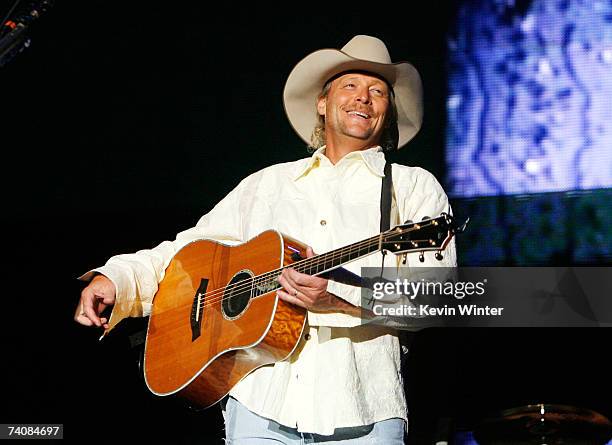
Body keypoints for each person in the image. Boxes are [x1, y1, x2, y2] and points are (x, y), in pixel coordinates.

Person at [74, 35, 457, 444]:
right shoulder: (268, 183)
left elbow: (438, 295)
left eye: (377, 91)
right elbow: (186, 253)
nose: (363, 98)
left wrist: (338, 297)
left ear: (387, 111)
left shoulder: (412, 187)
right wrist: (117, 278)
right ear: (323, 103)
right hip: (261, 403)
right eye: (350, 86)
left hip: (365, 410)